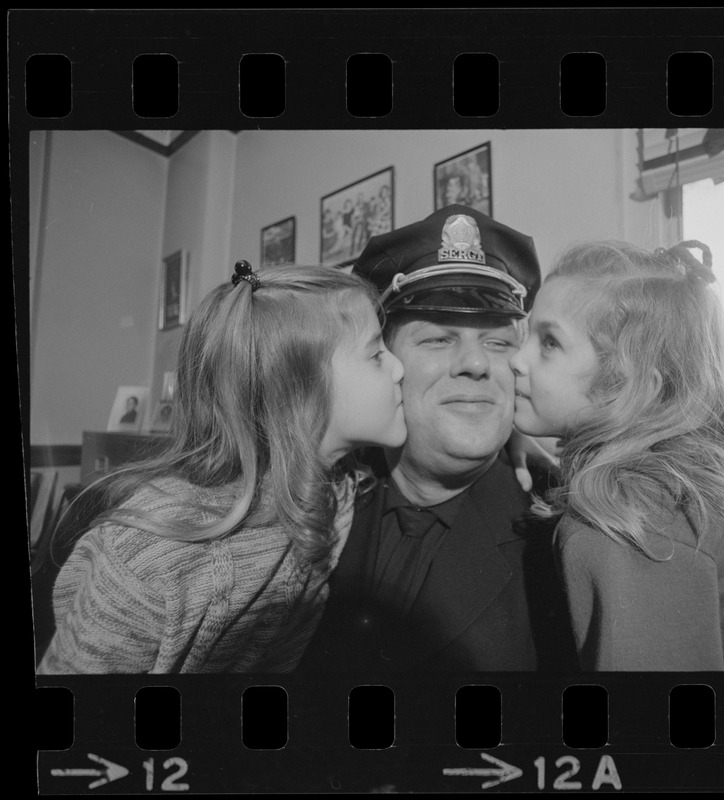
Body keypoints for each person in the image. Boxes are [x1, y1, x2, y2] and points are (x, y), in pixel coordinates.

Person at [38, 261, 406, 674]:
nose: (400, 369)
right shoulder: (150, 556)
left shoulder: (337, 491)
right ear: (300, 392)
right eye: (376, 353)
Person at [509, 240, 724, 671]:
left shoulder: (624, 517)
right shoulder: (673, 484)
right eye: (525, 335)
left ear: (628, 386)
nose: (517, 359)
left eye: (549, 342)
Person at [297, 205, 577, 673]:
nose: (476, 364)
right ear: (385, 362)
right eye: (438, 340)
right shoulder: (311, 494)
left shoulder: (563, 534)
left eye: (498, 343)